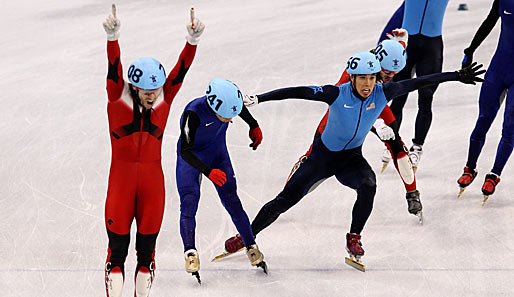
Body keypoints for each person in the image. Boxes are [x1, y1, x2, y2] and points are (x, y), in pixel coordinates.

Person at [226, 52, 484, 271]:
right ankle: (246, 236)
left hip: (351, 159)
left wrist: (456, 75)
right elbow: (299, 91)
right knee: (284, 200)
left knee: (369, 185)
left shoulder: (384, 92)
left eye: (372, 78)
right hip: (321, 158)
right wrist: (260, 98)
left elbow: (422, 81)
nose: (368, 84)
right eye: (363, 78)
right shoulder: (336, 94)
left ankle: (354, 237)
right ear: (352, 77)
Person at [102, 5, 204, 297]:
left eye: (156, 89)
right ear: (133, 87)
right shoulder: (117, 99)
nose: (152, 94)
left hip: (152, 185)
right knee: (117, 258)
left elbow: (180, 72)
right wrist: (113, 37)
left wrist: (192, 41)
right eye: (146, 90)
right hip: (121, 184)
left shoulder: (164, 98)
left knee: (146, 259)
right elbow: (114, 67)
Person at [177, 78, 267, 283]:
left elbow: (239, 107)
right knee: (189, 202)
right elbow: (185, 150)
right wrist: (208, 172)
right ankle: (190, 252)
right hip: (191, 158)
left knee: (232, 201)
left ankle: (251, 246)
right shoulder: (193, 112)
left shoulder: (228, 103)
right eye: (226, 116)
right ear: (213, 106)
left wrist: (253, 124)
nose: (230, 120)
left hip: (218, 154)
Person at [457, 0, 514, 204]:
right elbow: (490, 20)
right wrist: (469, 50)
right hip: (499, 68)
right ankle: (469, 167)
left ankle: (494, 174)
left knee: (509, 128)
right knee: (483, 119)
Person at [387, 0, 450, 170]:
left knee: (426, 98)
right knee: (398, 96)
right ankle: (392, 143)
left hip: (431, 48)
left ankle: (417, 148)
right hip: (407, 44)